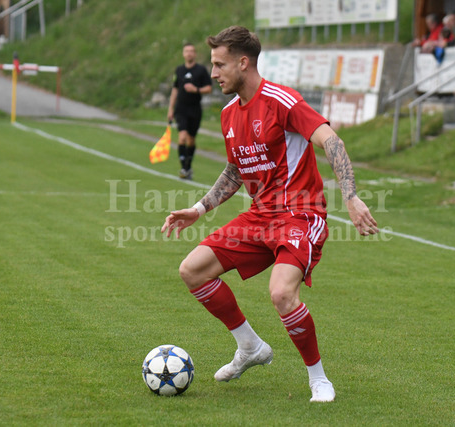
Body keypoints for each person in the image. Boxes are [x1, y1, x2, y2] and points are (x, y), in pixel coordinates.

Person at [161, 26, 379, 403]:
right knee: (192, 270)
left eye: (220, 64)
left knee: (281, 293)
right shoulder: (229, 114)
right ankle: (250, 347)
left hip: (300, 214)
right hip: (259, 216)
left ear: (243, 63)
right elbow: (236, 170)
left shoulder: (282, 101)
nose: (214, 73)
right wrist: (199, 209)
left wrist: (351, 196)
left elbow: (331, 140)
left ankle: (319, 379)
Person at [167, 43, 213, 180]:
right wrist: (170, 109)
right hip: (180, 109)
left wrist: (196, 89)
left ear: (195, 54)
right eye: (187, 51)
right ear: (183, 54)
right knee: (182, 137)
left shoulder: (201, 70)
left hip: (195, 109)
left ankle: (188, 166)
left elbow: (209, 88)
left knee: (191, 140)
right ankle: (184, 168)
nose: (189, 53)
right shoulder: (179, 70)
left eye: (192, 51)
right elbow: (175, 89)